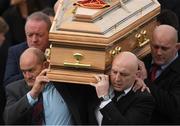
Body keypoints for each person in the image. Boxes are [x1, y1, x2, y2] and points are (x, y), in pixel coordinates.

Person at [4, 47, 84, 125]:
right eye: (24, 72)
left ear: (45, 65)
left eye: (31, 70)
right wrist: (32, 94)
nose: (27, 76)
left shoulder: (65, 84)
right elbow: (8, 119)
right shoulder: (14, 89)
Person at [88, 51, 155, 125]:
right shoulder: (98, 84)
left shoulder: (144, 99)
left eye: (124, 74)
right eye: (114, 72)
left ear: (136, 74)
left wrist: (104, 98)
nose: (117, 79)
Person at [140, 25, 180, 124]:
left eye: (164, 48)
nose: (158, 52)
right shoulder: (145, 61)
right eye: (155, 47)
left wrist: (145, 81)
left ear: (177, 47)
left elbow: (173, 107)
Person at [3, 11, 51, 86]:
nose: (34, 40)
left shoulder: (57, 50)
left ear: (49, 34)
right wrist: (33, 72)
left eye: (39, 35)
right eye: (30, 35)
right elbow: (8, 82)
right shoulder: (15, 51)